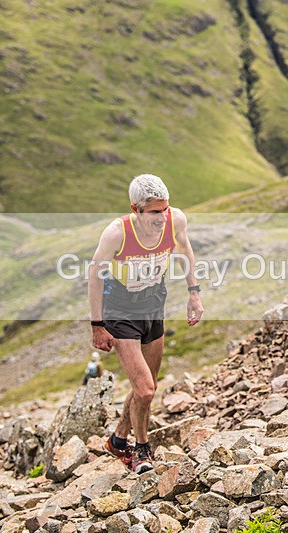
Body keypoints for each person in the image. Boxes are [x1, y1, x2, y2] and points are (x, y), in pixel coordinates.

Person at [88, 174, 204, 474]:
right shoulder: (117, 233)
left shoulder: (175, 220)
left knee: (147, 385)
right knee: (145, 391)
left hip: (153, 306)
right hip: (120, 311)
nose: (161, 217)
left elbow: (185, 250)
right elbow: (94, 275)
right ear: (135, 209)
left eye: (164, 209)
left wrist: (194, 293)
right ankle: (141, 450)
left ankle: (117, 439)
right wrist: (97, 325)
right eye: (154, 212)